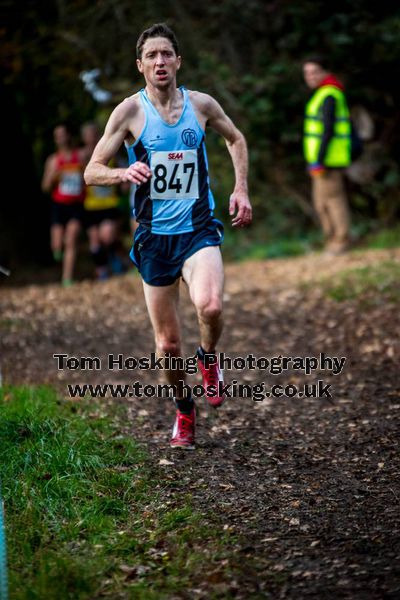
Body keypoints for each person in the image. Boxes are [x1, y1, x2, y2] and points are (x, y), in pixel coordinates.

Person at [84, 23, 252, 449]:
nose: (160, 62)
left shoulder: (201, 105)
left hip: (198, 230)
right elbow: (91, 171)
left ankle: (210, 359)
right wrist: (122, 172)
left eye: (166, 54)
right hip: (155, 240)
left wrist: (240, 189)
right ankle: (183, 410)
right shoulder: (129, 113)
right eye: (151, 56)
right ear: (140, 65)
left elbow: (235, 139)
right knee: (168, 345)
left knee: (210, 306)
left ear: (178, 60)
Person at [303, 57, 352, 255]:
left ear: (325, 71)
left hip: (329, 160)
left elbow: (328, 130)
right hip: (321, 160)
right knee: (321, 202)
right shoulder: (322, 93)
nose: (310, 76)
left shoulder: (330, 94)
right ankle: (332, 240)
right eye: (307, 73)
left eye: (314, 71)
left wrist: (319, 160)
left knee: (333, 201)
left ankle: (341, 241)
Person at [81, 122, 126, 279]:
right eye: (88, 136)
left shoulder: (110, 153)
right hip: (91, 205)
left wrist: (124, 182)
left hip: (109, 204)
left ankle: (118, 258)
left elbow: (123, 170)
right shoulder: (82, 156)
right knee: (95, 242)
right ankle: (102, 270)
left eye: (94, 134)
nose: (91, 138)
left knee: (107, 236)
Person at [42, 124, 86, 286]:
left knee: (71, 239)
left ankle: (67, 278)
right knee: (57, 245)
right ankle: (57, 255)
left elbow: (89, 179)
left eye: (63, 134)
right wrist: (54, 176)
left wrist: (82, 174)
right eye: (57, 135)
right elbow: (45, 187)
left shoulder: (80, 157)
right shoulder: (53, 160)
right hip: (59, 205)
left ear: (68, 136)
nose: (60, 138)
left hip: (76, 205)